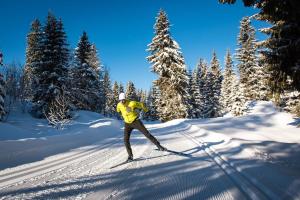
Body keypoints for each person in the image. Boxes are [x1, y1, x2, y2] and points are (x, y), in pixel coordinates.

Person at [117, 92, 166, 161]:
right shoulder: (119, 105)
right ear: (119, 100)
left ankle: (159, 146)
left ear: (125, 99)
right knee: (126, 139)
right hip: (127, 124)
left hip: (136, 121)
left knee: (147, 134)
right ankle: (130, 156)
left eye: (123, 100)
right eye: (121, 100)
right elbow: (118, 110)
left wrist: (145, 109)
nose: (122, 101)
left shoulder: (132, 103)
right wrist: (122, 114)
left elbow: (142, 104)